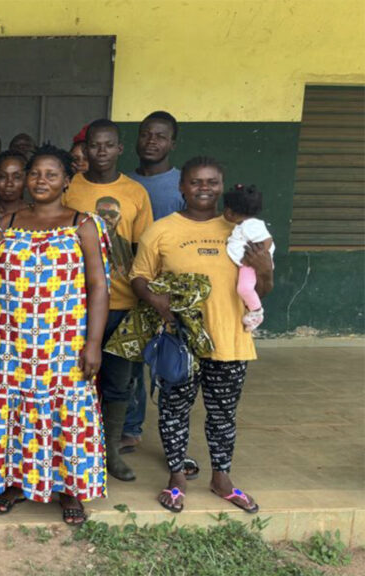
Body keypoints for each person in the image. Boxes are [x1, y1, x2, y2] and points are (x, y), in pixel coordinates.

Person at [0, 143, 110, 524]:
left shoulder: (83, 224)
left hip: (65, 344)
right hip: (14, 341)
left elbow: (99, 286)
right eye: (35, 174)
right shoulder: (5, 225)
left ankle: (69, 489)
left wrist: (94, 343)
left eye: (51, 174)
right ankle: (17, 482)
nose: (41, 181)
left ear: (67, 180)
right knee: (16, 408)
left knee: (65, 410)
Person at [131, 157, 273, 514]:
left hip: (230, 340)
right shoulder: (162, 230)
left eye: (211, 182)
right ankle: (177, 475)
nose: (204, 188)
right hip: (180, 341)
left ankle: (221, 477)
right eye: (196, 182)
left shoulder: (244, 229)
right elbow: (139, 277)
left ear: (222, 187)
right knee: (173, 409)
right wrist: (156, 300)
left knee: (223, 413)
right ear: (182, 186)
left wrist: (266, 270)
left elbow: (261, 289)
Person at [62, 118, 153, 483]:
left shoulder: (135, 192)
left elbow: (144, 250)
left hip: (124, 304)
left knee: (118, 385)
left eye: (108, 145)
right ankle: (72, 451)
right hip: (75, 306)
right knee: (74, 382)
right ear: (85, 150)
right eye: (93, 146)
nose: (100, 152)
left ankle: (110, 451)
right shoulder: (70, 189)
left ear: (119, 148)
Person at [121, 110, 184, 455]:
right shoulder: (124, 183)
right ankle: (130, 427)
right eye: (146, 134)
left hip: (169, 289)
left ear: (172, 143)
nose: (151, 141)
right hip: (129, 285)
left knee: (169, 365)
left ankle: (175, 437)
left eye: (160, 136)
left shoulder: (182, 185)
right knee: (130, 361)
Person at [223, 184, 274, 331]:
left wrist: (253, 258)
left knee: (244, 289)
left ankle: (256, 312)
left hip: (251, 265)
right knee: (244, 288)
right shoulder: (244, 225)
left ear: (229, 212)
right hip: (247, 265)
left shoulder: (252, 225)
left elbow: (267, 240)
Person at [0, 150, 30, 216]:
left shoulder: (35, 215)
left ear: (26, 180)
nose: (9, 184)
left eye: (17, 177)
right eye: (3, 177)